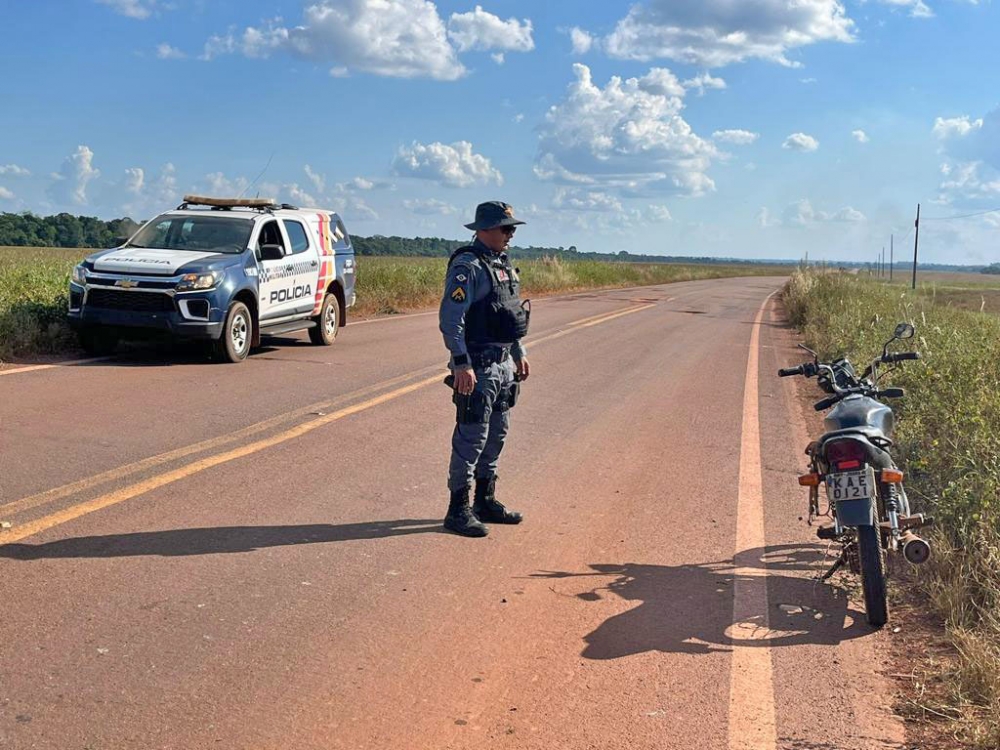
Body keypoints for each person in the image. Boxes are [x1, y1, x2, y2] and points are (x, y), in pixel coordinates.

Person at [439, 201, 532, 537]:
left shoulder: (502, 264)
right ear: (484, 230)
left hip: (503, 363)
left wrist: (518, 351)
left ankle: (485, 500)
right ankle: (457, 509)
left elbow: (510, 314)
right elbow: (451, 320)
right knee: (471, 438)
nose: (511, 234)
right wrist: (461, 363)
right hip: (476, 366)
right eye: (505, 228)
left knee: (497, 434)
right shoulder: (468, 266)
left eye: (512, 228)